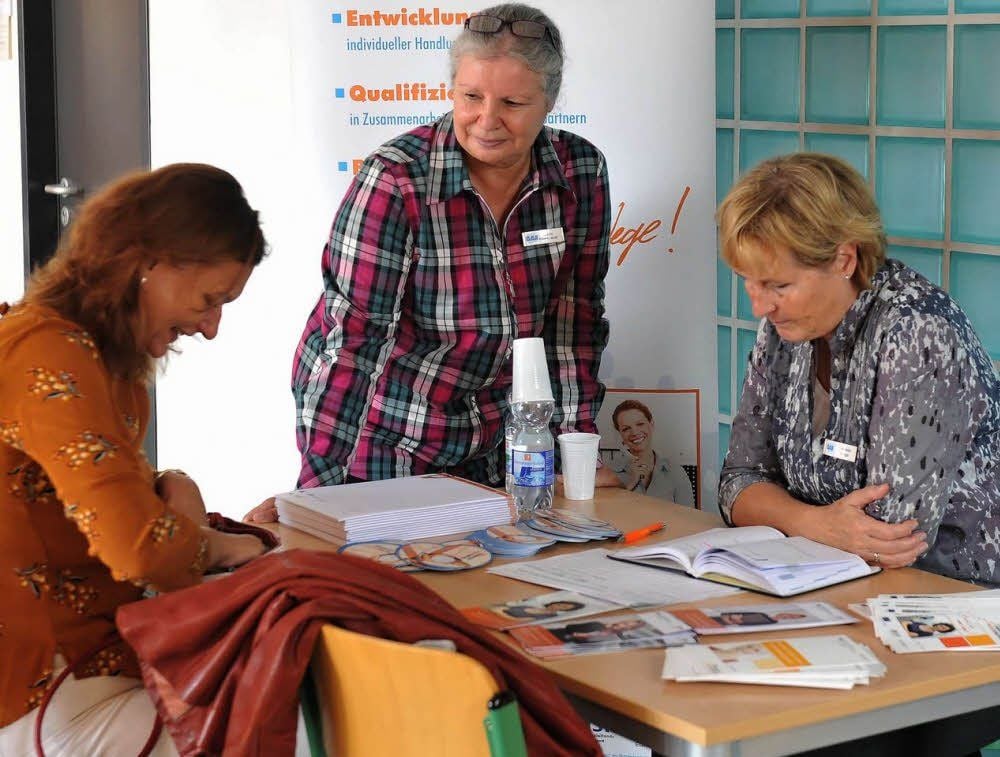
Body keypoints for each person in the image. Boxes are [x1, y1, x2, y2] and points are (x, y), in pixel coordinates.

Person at [0, 163, 270, 755]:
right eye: (210, 300)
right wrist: (216, 545)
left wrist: (171, 484)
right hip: (45, 689)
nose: (210, 328)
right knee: (300, 718)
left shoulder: (89, 353)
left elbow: (99, 496)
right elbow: (138, 549)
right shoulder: (48, 351)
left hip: (84, 664)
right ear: (148, 263)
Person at [288, 4, 611, 493]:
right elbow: (350, 344)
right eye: (471, 96)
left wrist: (573, 451)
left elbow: (573, 325)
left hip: (507, 448)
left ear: (549, 102)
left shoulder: (581, 171)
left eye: (512, 103)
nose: (487, 120)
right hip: (393, 445)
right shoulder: (396, 180)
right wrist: (320, 492)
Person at [717, 152, 1000, 586]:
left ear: (844, 260)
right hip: (833, 581)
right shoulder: (781, 327)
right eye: (748, 281)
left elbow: (890, 537)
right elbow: (737, 482)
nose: (759, 306)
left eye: (779, 285)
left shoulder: (918, 331)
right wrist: (814, 523)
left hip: (954, 596)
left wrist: (785, 513)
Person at [609, 399, 695, 506]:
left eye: (640, 424)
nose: (634, 432)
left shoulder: (676, 472)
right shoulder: (609, 473)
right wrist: (631, 484)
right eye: (626, 429)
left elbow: (689, 515)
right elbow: (607, 513)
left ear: (651, 424)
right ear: (620, 434)